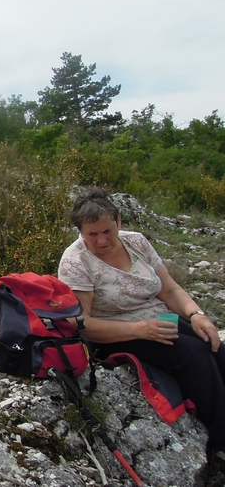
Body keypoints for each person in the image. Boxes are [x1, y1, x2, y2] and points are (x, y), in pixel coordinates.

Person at [58, 188, 225, 452]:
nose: (101, 240)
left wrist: (196, 315)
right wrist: (140, 329)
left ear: (119, 222)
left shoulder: (136, 242)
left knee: (214, 345)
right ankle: (221, 436)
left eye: (107, 231)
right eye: (92, 234)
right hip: (117, 333)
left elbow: (169, 289)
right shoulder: (75, 262)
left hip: (157, 318)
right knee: (193, 355)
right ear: (80, 232)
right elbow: (81, 323)